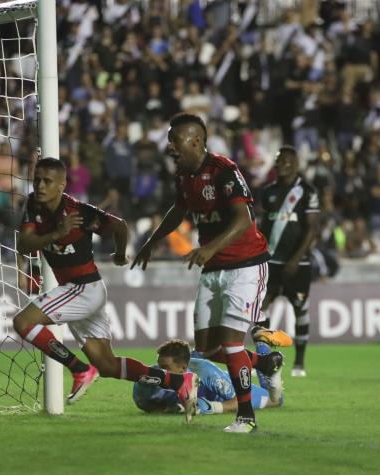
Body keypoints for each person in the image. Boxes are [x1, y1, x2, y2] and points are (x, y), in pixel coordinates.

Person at [132, 113, 290, 433]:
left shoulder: (224, 170)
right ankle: (265, 363)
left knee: (231, 345)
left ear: (197, 141)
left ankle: (245, 417)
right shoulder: (182, 176)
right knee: (207, 348)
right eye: (170, 140)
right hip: (213, 267)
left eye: (175, 140)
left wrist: (210, 247)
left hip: (245, 265)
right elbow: (179, 209)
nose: (170, 146)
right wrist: (151, 241)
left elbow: (244, 218)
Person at [13, 157, 199, 420]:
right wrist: (56, 233)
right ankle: (178, 382)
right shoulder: (34, 205)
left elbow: (120, 226)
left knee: (23, 322)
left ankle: (79, 369)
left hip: (83, 288)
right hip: (79, 291)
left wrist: (120, 254)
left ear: (61, 185)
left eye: (47, 181)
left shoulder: (79, 213)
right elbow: (24, 244)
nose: (40, 186)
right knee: (108, 365)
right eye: (37, 180)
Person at [254, 146, 319, 378]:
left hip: (297, 264)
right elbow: (262, 225)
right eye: (279, 160)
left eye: (286, 161)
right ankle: (265, 359)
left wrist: (296, 258)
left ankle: (300, 363)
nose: (281, 164)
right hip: (270, 261)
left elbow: (311, 229)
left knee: (300, 309)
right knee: (260, 309)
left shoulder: (307, 192)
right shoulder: (268, 191)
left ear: (295, 164)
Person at [133, 340, 283, 415]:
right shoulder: (146, 382)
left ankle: (266, 361)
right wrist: (167, 408)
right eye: (160, 366)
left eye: (166, 368)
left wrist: (214, 407)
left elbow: (240, 399)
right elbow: (146, 405)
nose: (160, 372)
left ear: (183, 369)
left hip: (220, 392)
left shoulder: (207, 373)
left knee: (275, 400)